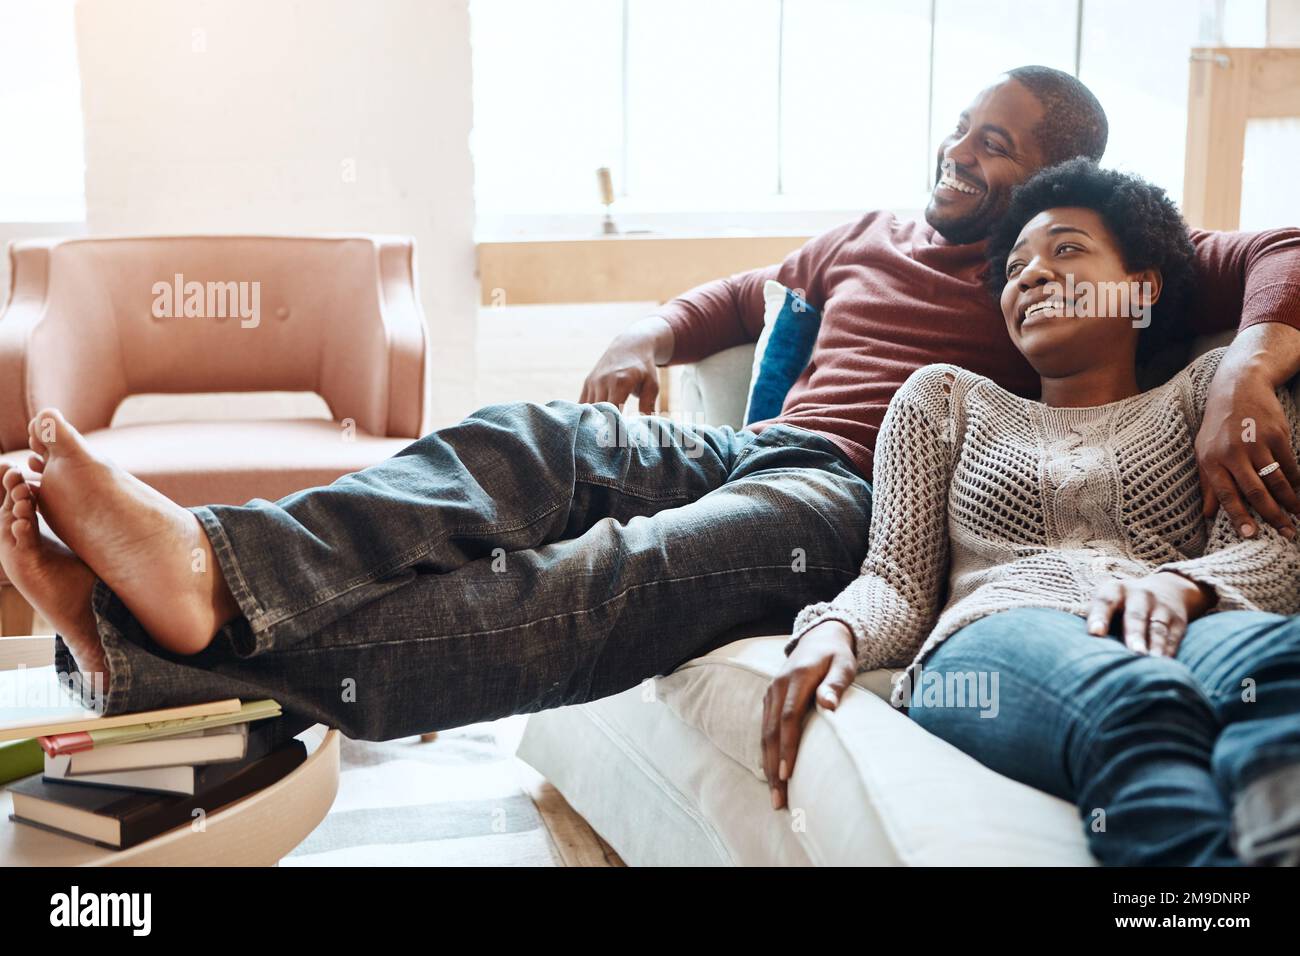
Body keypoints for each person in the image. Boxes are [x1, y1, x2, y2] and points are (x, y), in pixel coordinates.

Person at [1, 67, 1298, 746]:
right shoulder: (868, 232)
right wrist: (644, 332)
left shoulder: (1061, 258)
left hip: (845, 499)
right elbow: (736, 300)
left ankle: (147, 642)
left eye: (996, 147)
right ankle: (213, 571)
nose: (960, 156)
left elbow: (1274, 251)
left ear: (1057, 177)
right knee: (527, 440)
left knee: (599, 576)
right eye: (959, 132)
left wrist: (1246, 360)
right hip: (743, 441)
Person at [767, 159, 1300, 866]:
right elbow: (895, 581)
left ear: (1142, 288)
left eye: (1067, 249)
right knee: (1137, 702)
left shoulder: (1210, 393)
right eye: (1016, 268)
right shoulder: (946, 401)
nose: (1033, 275)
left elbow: (1277, 551)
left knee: (1280, 665)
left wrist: (1181, 583)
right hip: (997, 639)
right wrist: (836, 626)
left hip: (1187, 619)